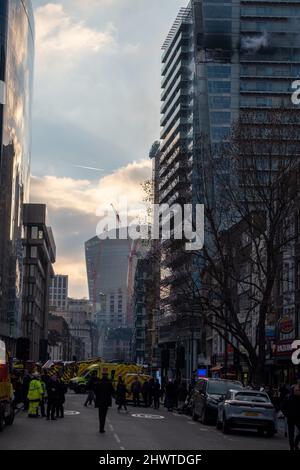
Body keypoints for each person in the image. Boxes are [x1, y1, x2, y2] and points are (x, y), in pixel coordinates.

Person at [281, 378, 300, 451]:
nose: (297, 391)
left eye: (298, 390)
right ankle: (292, 447)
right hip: (291, 417)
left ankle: (296, 443)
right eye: (296, 390)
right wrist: (286, 414)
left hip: (298, 417)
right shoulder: (288, 398)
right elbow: (282, 406)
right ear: (293, 391)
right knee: (291, 434)